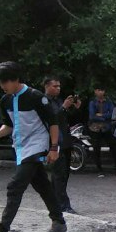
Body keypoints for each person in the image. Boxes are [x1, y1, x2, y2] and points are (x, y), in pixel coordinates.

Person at [0, 62, 67, 232]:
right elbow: (9, 125)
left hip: (38, 146)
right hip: (21, 149)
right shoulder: (5, 100)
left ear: (15, 79)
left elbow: (53, 122)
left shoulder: (35, 97)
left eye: (4, 82)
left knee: (15, 186)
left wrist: (54, 148)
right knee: (42, 185)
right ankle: (59, 221)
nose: (2, 86)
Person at [43, 77, 81, 214]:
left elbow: (65, 118)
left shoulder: (57, 101)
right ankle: (64, 205)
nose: (58, 88)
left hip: (65, 140)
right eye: (55, 86)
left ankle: (55, 202)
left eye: (59, 86)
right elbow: (52, 119)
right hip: (55, 143)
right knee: (59, 175)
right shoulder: (44, 101)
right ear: (47, 86)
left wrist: (74, 108)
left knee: (64, 175)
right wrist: (64, 107)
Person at [87, 86, 114, 177]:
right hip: (95, 128)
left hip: (106, 127)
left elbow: (112, 114)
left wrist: (100, 115)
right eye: (98, 90)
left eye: (102, 90)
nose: (100, 92)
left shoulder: (109, 102)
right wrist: (104, 116)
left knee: (113, 145)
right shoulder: (92, 102)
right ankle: (99, 169)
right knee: (96, 149)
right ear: (95, 91)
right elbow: (92, 116)